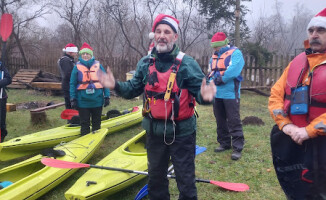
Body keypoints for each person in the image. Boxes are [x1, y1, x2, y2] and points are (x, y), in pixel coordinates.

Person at [98, 14, 216, 200]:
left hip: (182, 133)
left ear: (175, 37)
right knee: (155, 178)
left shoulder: (187, 64)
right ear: (154, 35)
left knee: (185, 179)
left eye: (167, 32)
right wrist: (115, 85)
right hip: (154, 133)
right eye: (158, 31)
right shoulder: (145, 63)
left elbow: (201, 96)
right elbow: (132, 89)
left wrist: (207, 97)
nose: (162, 35)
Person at [269, 8, 326, 199]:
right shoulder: (297, 61)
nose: (314, 35)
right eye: (311, 31)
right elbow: (276, 95)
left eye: (321, 30)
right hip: (293, 138)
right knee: (298, 188)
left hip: (321, 142)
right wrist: (286, 126)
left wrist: (308, 131)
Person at [208, 32, 245, 160]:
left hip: (230, 93)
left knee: (234, 120)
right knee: (220, 120)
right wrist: (210, 82)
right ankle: (224, 143)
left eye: (216, 46)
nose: (214, 49)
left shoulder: (236, 53)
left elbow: (234, 70)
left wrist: (221, 79)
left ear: (223, 44)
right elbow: (211, 71)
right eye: (213, 47)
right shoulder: (214, 56)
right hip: (217, 93)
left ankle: (237, 147)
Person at [70, 42, 110, 135]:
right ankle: (84, 141)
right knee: (84, 123)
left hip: (97, 100)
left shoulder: (98, 65)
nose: (85, 55)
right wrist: (73, 98)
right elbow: (72, 83)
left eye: (87, 53)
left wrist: (107, 96)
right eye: (83, 53)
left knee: (97, 122)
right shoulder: (76, 67)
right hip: (83, 101)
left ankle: (96, 139)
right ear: (81, 55)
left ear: (91, 54)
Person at [58, 43, 78, 109]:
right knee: (70, 104)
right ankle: (71, 119)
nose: (76, 54)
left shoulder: (70, 60)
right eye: (75, 52)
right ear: (70, 52)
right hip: (68, 85)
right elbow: (68, 74)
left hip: (70, 85)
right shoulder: (65, 60)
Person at [0, 61, 12, 143]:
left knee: (1, 122)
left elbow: (8, 79)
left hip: (1, 98)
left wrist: (1, 82)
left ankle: (1, 138)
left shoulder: (1, 65)